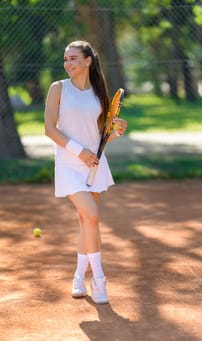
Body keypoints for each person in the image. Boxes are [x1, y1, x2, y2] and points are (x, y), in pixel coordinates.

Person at [44, 40, 127, 304]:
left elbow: (100, 140)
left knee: (86, 222)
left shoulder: (99, 94)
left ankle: (79, 277)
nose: (67, 63)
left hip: (94, 165)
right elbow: (49, 129)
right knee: (91, 215)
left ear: (87, 61)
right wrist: (78, 151)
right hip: (69, 164)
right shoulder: (58, 89)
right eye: (66, 59)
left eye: (73, 58)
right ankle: (99, 280)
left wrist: (117, 132)